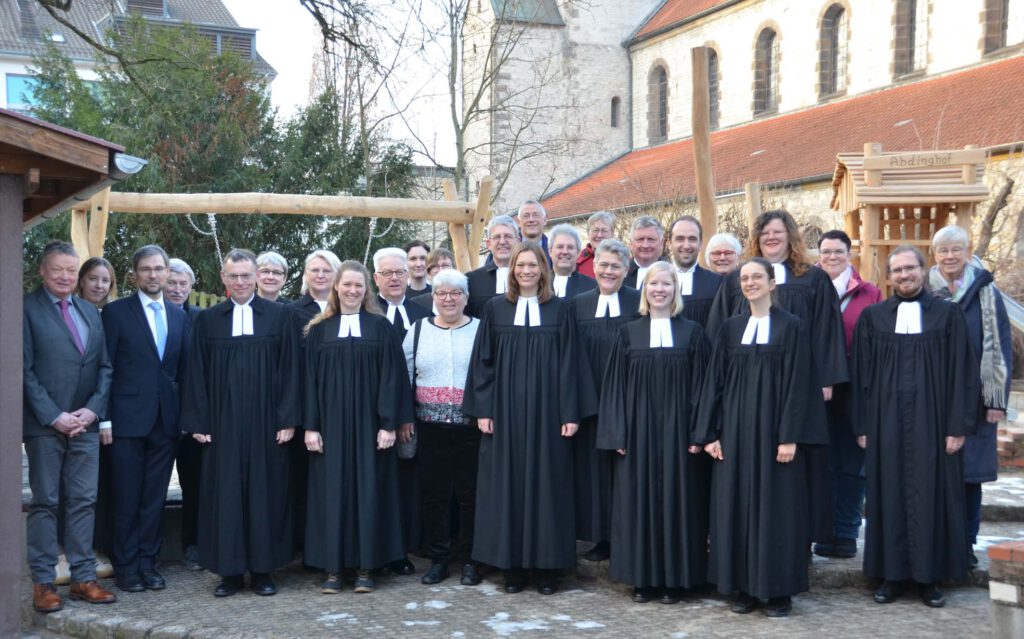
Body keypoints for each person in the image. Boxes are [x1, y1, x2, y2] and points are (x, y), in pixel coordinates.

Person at [707, 210, 847, 545]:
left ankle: (797, 543)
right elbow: (720, 334)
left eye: (778, 232)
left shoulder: (812, 278)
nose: (771, 237)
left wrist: (826, 379)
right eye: (765, 232)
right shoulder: (737, 279)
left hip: (798, 388)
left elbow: (827, 330)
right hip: (746, 391)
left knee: (796, 470)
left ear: (791, 236)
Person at [695, 258, 825, 618]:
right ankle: (743, 587)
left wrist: (789, 437)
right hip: (734, 437)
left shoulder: (792, 327)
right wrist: (710, 433)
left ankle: (778, 590)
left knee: (778, 510)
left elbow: (800, 384)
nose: (750, 283)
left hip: (774, 437)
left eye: (757, 277)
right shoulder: (730, 328)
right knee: (735, 507)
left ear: (772, 284)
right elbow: (714, 384)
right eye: (745, 278)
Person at [852, 246, 977, 608]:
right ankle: (891, 576)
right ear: (888, 276)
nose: (904, 275)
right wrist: (861, 425)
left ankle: (929, 579)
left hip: (934, 424)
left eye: (910, 268)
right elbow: (860, 375)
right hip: (884, 423)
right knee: (888, 495)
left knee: (932, 494)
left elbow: (962, 374)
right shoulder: (873, 318)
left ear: (923, 270)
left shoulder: (948, 316)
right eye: (897, 270)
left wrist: (958, 426)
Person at [464, 242, 590, 595]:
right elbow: (483, 363)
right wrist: (484, 410)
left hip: (549, 416)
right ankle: (512, 567)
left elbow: (570, 364)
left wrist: (570, 413)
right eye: (521, 265)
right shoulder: (495, 309)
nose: (526, 271)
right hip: (504, 417)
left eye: (533, 265)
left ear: (543, 269)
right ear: (512, 270)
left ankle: (548, 568)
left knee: (548, 486)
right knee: (506, 487)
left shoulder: (560, 310)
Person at [181, 249, 301, 598]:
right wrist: (198, 421)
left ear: (256, 277)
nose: (240, 282)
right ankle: (230, 573)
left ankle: (264, 570)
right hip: (222, 424)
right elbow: (196, 373)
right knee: (225, 495)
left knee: (266, 494)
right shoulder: (208, 320)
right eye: (233, 276)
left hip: (269, 424)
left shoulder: (281, 317)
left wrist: (288, 419)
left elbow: (292, 371)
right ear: (223, 279)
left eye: (246, 276)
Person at [597, 262, 710, 605]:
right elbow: (613, 386)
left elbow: (705, 388)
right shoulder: (628, 334)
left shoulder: (693, 333)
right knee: (639, 504)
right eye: (653, 284)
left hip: (680, 436)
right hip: (638, 435)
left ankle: (677, 580)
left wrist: (699, 432)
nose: (659, 289)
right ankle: (642, 579)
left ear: (676, 290)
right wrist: (617, 434)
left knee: (681, 504)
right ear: (644, 290)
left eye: (666, 284)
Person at [302, 261, 412, 594]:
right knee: (331, 494)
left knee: (370, 492)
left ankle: (367, 567)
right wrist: (311, 427)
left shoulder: (381, 328)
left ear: (367, 290)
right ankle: (333, 569)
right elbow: (309, 383)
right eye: (347, 285)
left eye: (359, 286)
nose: (352, 291)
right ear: (336, 287)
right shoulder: (319, 331)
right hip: (330, 429)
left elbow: (394, 379)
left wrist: (388, 424)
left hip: (370, 428)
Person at [24, 240, 115, 612]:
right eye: (57, 269)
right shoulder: (25, 309)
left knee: (83, 502)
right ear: (43, 271)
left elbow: (104, 369)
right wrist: (54, 415)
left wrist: (91, 412)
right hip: (46, 426)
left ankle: (83, 578)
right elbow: (22, 370)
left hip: (86, 426)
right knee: (46, 502)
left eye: (70, 270)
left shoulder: (90, 312)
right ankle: (44, 583)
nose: (65, 276)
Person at [101, 245, 189, 593]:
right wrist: (103, 419)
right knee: (125, 495)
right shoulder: (116, 313)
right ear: (135, 274)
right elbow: (104, 368)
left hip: (165, 423)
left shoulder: (180, 315)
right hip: (124, 422)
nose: (153, 275)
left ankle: (148, 563)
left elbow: (182, 372)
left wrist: (184, 418)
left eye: (158, 268)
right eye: (146, 269)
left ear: (168, 272)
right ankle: (125, 565)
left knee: (154, 497)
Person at [928, 226, 1012, 570]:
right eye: (943, 250)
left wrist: (996, 399)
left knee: (969, 476)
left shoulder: (987, 294)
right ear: (934, 255)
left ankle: (966, 542)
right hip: (934, 399)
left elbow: (1002, 345)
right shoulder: (925, 293)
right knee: (937, 473)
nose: (950, 256)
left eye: (956, 250)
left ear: (968, 251)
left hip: (977, 399)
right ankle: (939, 544)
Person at [402, 269, 483, 587]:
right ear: (432, 297)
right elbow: (403, 374)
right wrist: (404, 417)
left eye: (455, 293)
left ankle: (470, 560)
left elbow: (488, 376)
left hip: (471, 428)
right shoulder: (418, 330)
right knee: (434, 497)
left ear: (466, 297)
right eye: (441, 293)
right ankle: (438, 560)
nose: (448, 299)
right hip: (430, 427)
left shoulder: (480, 329)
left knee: (469, 496)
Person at [569, 239, 641, 564]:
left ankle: (626, 535)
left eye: (615, 265)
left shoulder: (639, 303)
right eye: (603, 264)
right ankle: (600, 537)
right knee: (593, 470)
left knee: (624, 469)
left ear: (627, 269)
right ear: (593, 266)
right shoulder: (577, 304)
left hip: (628, 402)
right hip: (590, 401)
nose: (608, 271)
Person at [812, 230, 882, 559]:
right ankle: (821, 530)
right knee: (821, 463)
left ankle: (846, 530)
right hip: (817, 390)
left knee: (852, 464)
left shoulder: (869, 294)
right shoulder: (808, 288)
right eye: (826, 251)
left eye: (838, 251)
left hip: (854, 389)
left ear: (849, 254)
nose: (832, 257)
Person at [372, 247, 431, 575]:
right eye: (388, 273)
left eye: (400, 272)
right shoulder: (369, 313)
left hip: (418, 412)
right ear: (376, 277)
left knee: (409, 484)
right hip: (379, 416)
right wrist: (395, 417)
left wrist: (409, 414)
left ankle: (406, 546)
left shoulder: (422, 311)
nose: (395, 278)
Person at [287, 249, 341, 560]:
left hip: (337, 405)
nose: (320, 276)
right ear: (306, 275)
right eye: (314, 270)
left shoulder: (345, 310)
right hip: (305, 403)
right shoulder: (292, 311)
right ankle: (305, 545)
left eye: (326, 270)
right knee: (303, 478)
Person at [164, 258, 205, 572]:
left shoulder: (200, 320)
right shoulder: (148, 317)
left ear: (191, 286)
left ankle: (194, 544)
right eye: (172, 283)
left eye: (183, 284)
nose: (177, 290)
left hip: (191, 419)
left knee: (196, 484)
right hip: (156, 417)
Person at [667, 216, 722, 327]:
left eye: (692, 239)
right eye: (680, 239)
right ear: (669, 244)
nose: (686, 246)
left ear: (701, 244)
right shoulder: (656, 283)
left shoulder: (717, 283)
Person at [465, 215, 521, 318]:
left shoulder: (529, 277)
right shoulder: (471, 280)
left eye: (508, 236)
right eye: (497, 237)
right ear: (488, 244)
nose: (503, 241)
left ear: (517, 241)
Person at [548, 224, 597, 299]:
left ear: (578, 252)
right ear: (550, 251)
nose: (565, 251)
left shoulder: (593, 287)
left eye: (570, 247)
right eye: (560, 247)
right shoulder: (539, 285)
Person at [624, 216, 665, 289]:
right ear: (631, 243)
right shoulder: (621, 274)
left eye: (651, 239)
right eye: (640, 239)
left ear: (661, 243)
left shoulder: (672, 273)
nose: (645, 245)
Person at [575, 211, 615, 278]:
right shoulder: (577, 261)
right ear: (588, 233)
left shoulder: (623, 260)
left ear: (612, 234)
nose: (599, 235)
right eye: (595, 230)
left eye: (604, 231)